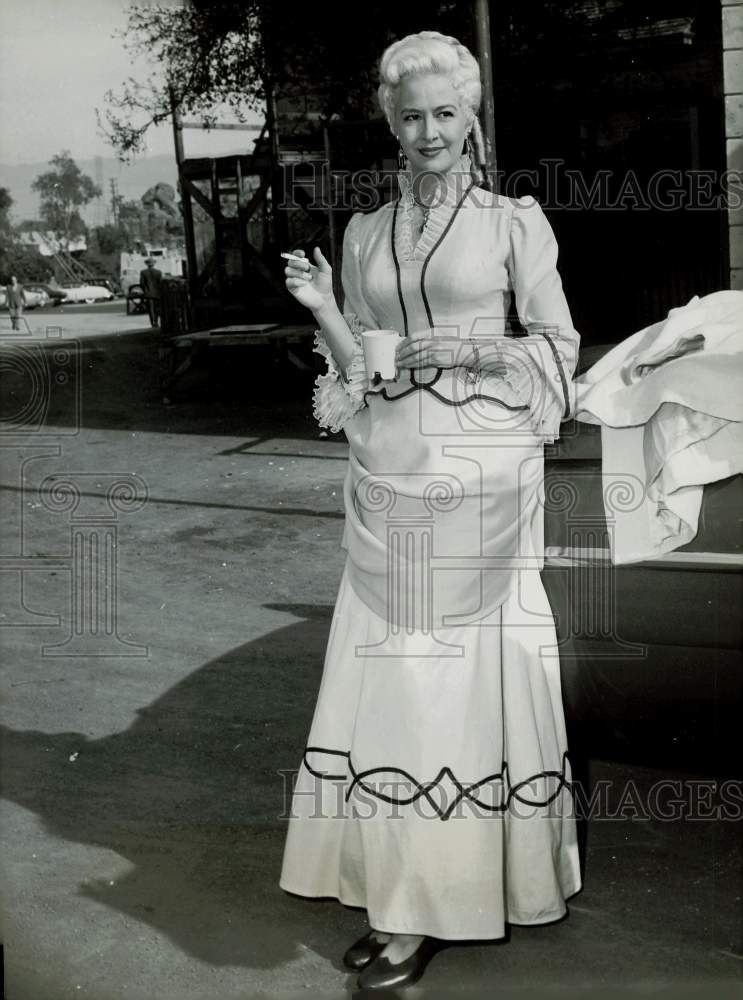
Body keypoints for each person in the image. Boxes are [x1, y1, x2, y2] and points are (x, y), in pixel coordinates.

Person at [279, 30, 582, 990]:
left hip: (480, 476)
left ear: (470, 116)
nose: (426, 132)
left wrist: (461, 353)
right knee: (388, 680)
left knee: (433, 680)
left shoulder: (512, 223)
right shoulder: (363, 233)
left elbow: (557, 348)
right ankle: (394, 885)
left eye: (444, 113)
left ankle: (430, 904)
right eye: (409, 116)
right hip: (384, 476)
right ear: (389, 121)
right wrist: (327, 310)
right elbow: (351, 369)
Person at [139, 258, 163, 326]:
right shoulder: (159, 272)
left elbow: (142, 283)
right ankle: (156, 320)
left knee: (151, 308)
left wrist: (145, 290)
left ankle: (153, 322)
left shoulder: (143, 272)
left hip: (148, 293)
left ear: (147, 264)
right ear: (154, 264)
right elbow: (160, 283)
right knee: (157, 308)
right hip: (157, 293)